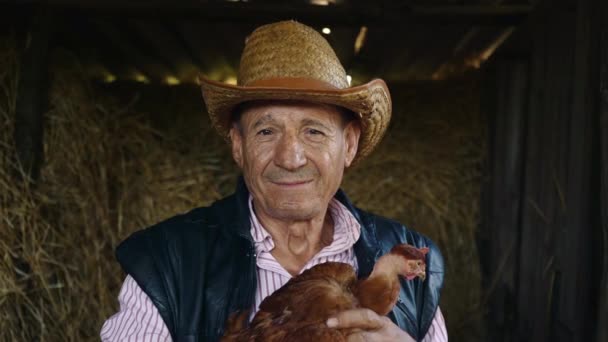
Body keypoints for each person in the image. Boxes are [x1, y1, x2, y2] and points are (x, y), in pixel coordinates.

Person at [101, 20, 446, 342]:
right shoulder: (168, 263)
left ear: (350, 145)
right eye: (266, 131)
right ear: (238, 146)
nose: (290, 158)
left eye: (313, 131)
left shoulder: (414, 270)